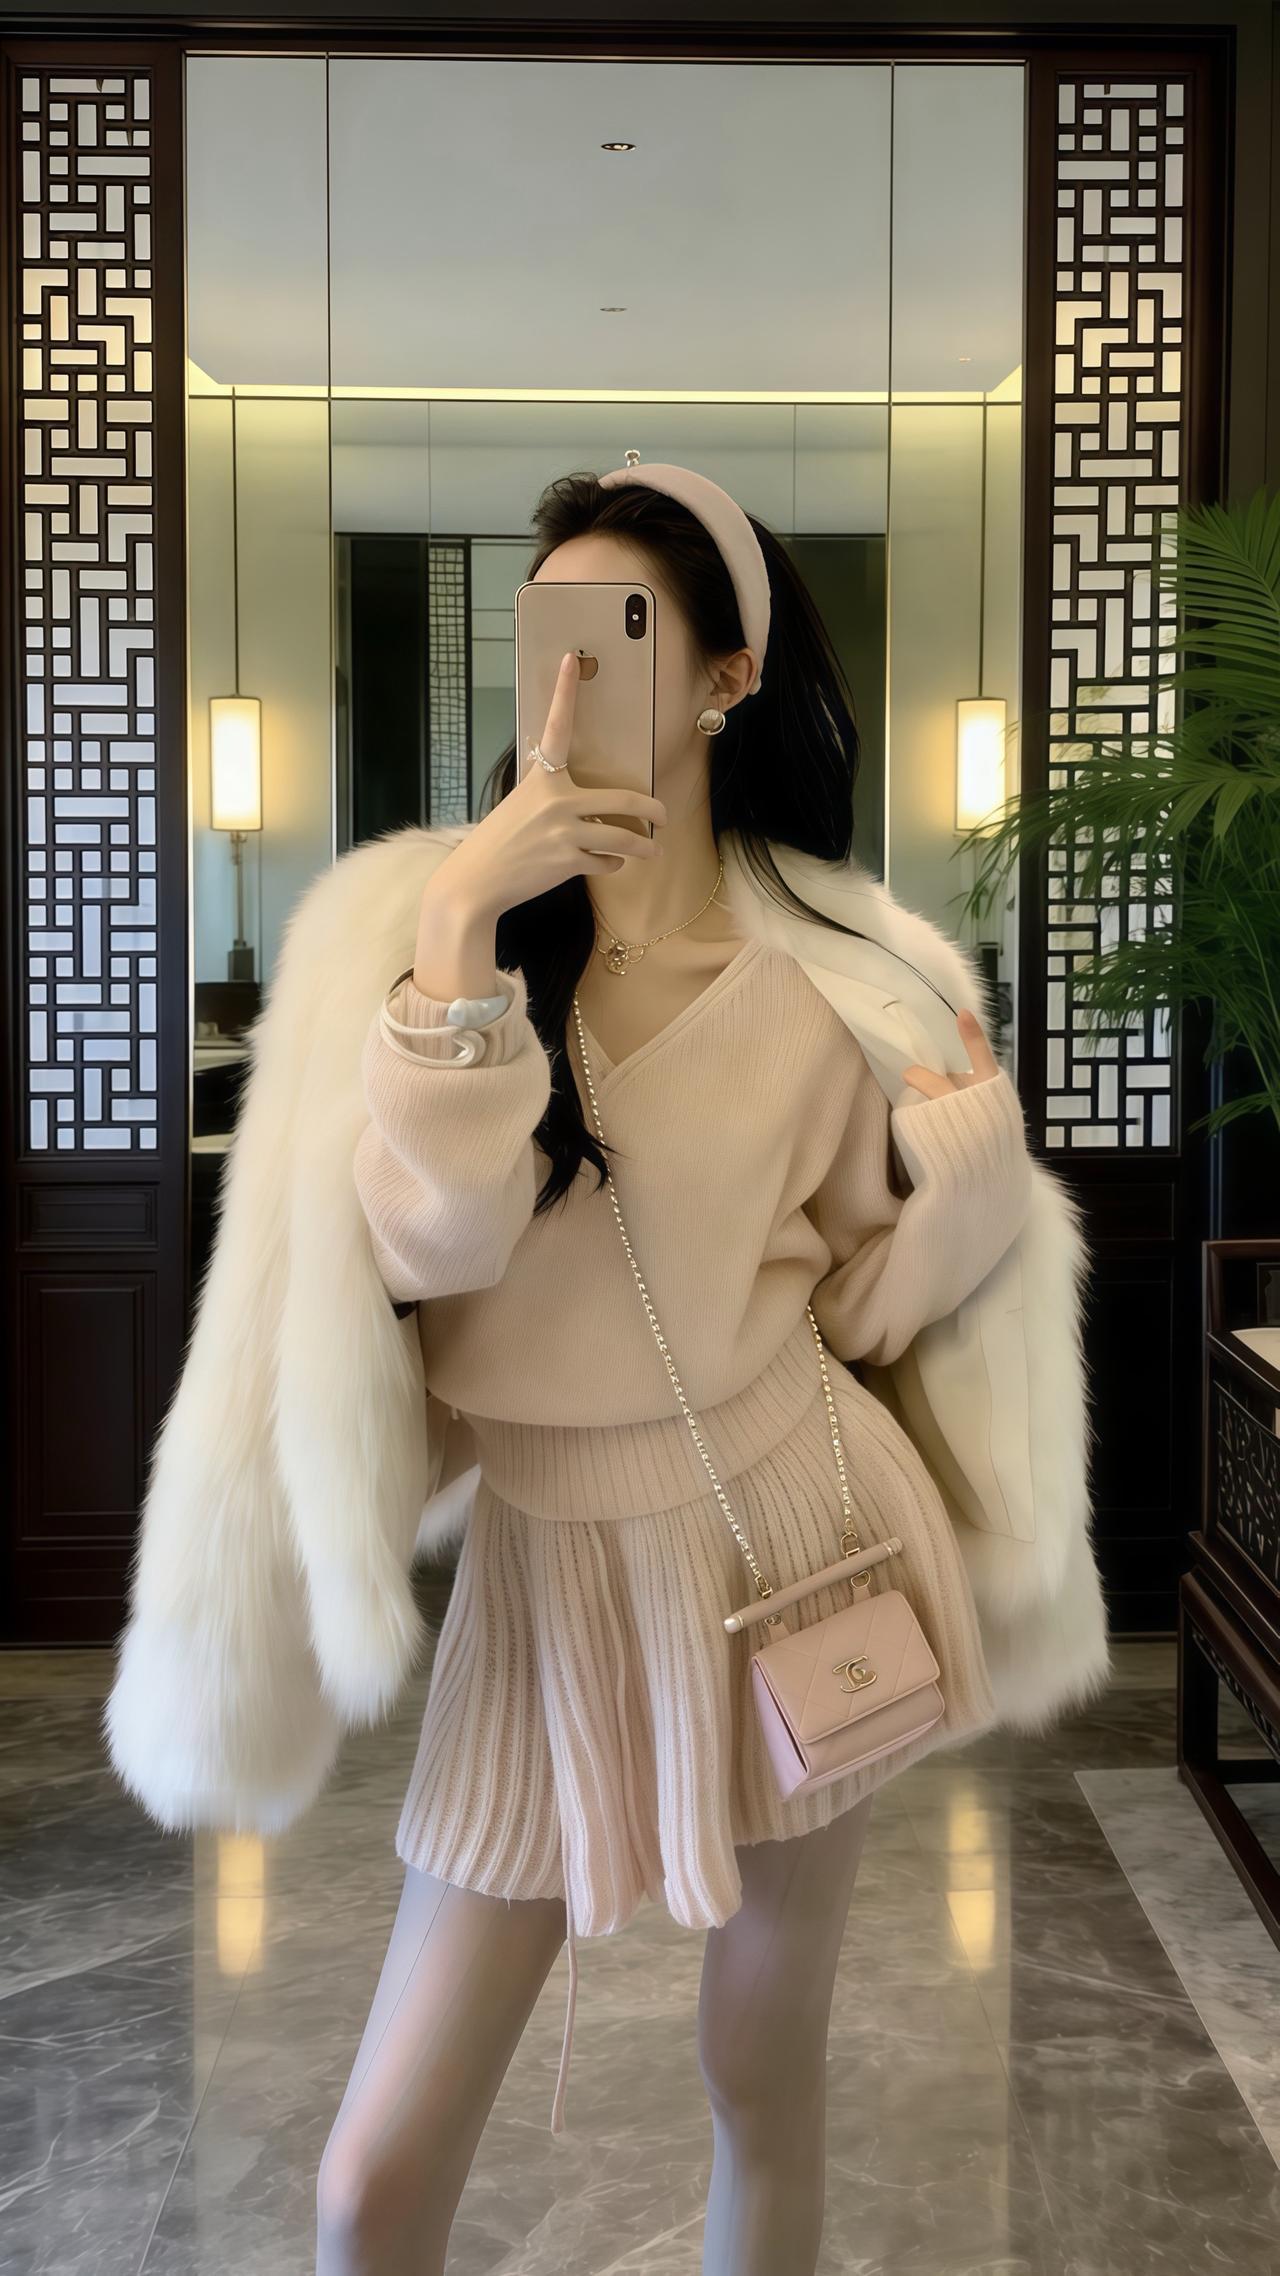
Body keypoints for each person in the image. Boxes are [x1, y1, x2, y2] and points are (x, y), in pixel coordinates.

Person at [312, 463, 1035, 2276]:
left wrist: (969, 1181)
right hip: (541, 1569)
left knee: (757, 2076)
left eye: (618, 628)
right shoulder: (444, 944)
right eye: (544, 629)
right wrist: (462, 929)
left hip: (788, 1537)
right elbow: (426, 1254)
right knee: (372, 2181)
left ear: (725, 676)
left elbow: (868, 1309)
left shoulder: (834, 979)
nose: (567, 676)